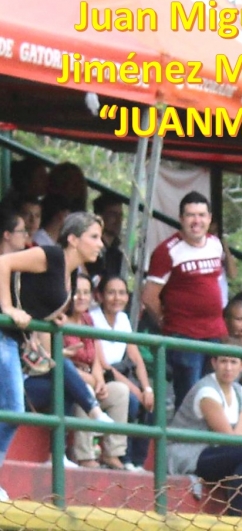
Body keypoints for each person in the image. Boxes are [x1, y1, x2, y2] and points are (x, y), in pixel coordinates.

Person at [0, 211, 105, 498]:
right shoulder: (52, 255)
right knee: (12, 408)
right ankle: (93, 408)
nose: (100, 244)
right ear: (73, 239)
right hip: (3, 331)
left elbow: (36, 299)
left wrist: (51, 320)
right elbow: (3, 262)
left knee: (12, 409)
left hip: (14, 339)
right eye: (93, 237)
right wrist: (8, 309)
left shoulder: (69, 275)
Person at [141, 191, 228, 411]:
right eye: (190, 215)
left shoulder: (215, 245)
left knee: (214, 395)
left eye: (201, 215)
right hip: (185, 337)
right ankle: (184, 442)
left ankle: (207, 444)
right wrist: (167, 322)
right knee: (190, 397)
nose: (196, 221)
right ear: (181, 219)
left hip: (215, 334)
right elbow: (149, 296)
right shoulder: (167, 252)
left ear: (209, 218)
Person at [167, 354, 242, 516]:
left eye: (233, 362)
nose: (228, 367)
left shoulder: (240, 391)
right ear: (214, 363)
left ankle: (240, 518)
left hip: (218, 453)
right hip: (188, 455)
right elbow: (231, 439)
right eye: (223, 361)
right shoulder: (206, 391)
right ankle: (236, 518)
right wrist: (241, 431)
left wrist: (240, 434)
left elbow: (240, 439)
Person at [65, 274, 130, 469]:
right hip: (70, 381)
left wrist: (100, 380)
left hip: (92, 378)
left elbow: (94, 357)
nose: (81, 297)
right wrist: (93, 382)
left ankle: (113, 453)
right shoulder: (60, 319)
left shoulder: (87, 319)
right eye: (77, 292)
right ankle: (84, 455)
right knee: (87, 389)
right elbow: (63, 363)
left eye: (86, 292)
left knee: (120, 391)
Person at [91, 274, 154, 470]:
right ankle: (123, 458)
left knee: (152, 404)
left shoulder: (124, 319)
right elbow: (103, 365)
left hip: (123, 375)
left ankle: (138, 461)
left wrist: (147, 388)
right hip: (103, 376)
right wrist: (136, 391)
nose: (117, 298)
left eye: (121, 293)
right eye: (111, 293)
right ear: (100, 296)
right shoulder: (92, 318)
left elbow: (135, 357)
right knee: (133, 401)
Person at [85, 193, 127, 284]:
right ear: (100, 216)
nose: (118, 220)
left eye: (120, 215)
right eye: (113, 214)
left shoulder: (118, 255)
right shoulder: (89, 246)